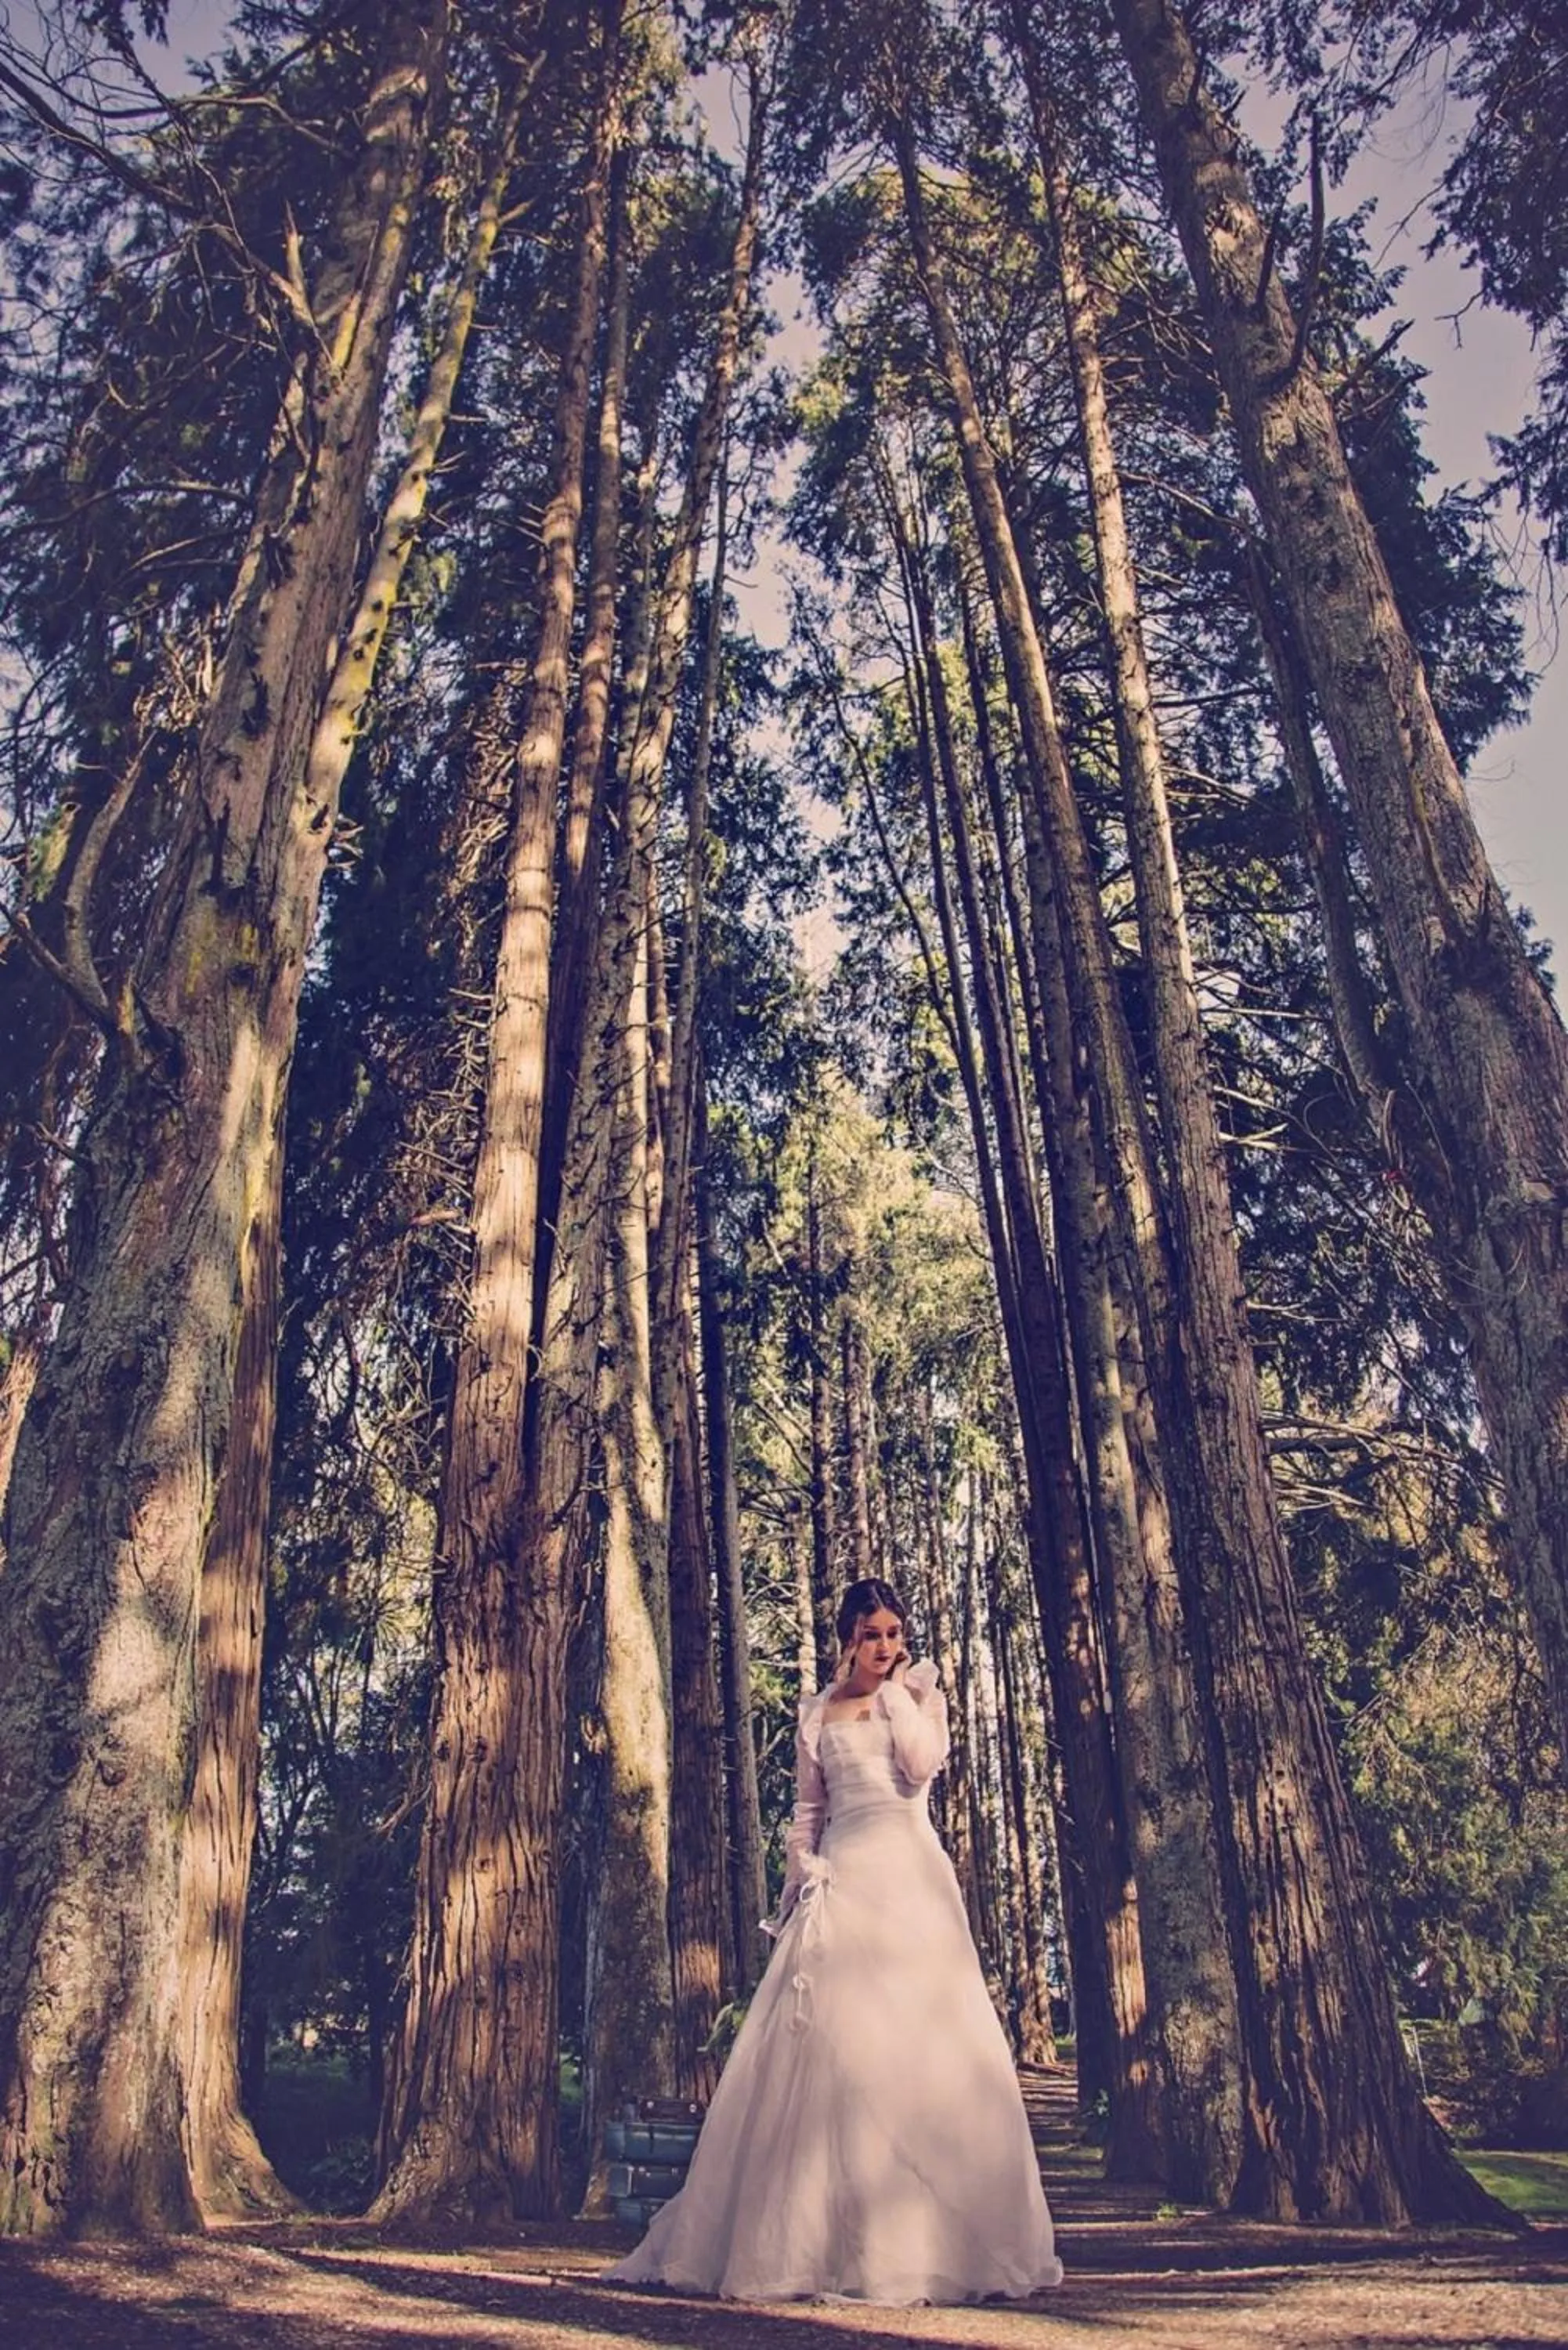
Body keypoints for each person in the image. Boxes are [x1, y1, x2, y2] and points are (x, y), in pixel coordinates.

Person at [605, 1576, 1065, 2304]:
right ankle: (823, 2243)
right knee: (833, 2051)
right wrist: (797, 1886)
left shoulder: (920, 1696)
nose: (885, 1646)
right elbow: (808, 1812)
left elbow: (919, 1766)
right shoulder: (818, 1712)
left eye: (893, 1634)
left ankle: (932, 2239)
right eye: (872, 1635)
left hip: (911, 1878)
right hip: (842, 1878)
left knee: (920, 2047)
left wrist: (898, 1695)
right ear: (849, 1637)